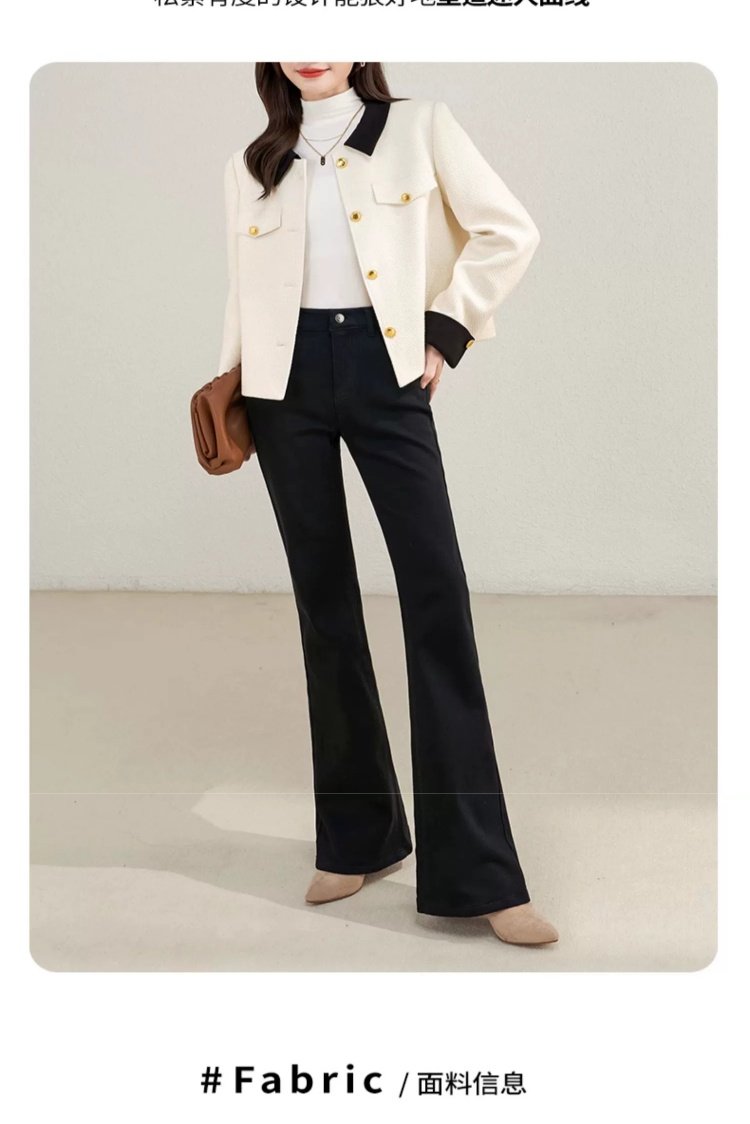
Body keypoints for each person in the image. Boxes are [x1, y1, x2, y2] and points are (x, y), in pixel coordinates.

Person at [218, 61, 558, 946]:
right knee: (324, 607)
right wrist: (229, 391)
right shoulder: (254, 160)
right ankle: (358, 837)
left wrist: (448, 328)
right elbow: (243, 288)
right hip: (281, 388)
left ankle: (481, 872)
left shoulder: (419, 125)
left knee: (436, 597)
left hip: (386, 368)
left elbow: (509, 231)